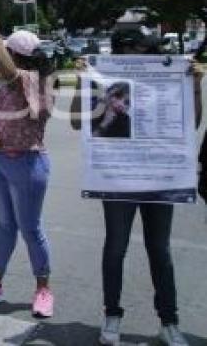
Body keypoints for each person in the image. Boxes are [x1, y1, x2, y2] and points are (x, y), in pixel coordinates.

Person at [70, 23, 203, 346]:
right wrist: (81, 82)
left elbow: (191, 123)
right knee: (116, 247)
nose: (150, 53)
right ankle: (112, 315)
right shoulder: (104, 78)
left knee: (160, 250)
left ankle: (169, 321)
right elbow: (77, 122)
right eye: (143, 48)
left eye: (150, 48)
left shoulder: (166, 75)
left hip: (159, 177)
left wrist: (196, 87)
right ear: (125, 48)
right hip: (117, 177)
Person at [0, 17, 55, 319]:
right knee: (5, 227)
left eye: (5, 50)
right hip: (2, 163)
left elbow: (7, 72)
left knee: (31, 229)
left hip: (29, 164)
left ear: (18, 56)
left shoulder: (35, 81)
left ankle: (43, 290)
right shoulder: (9, 86)